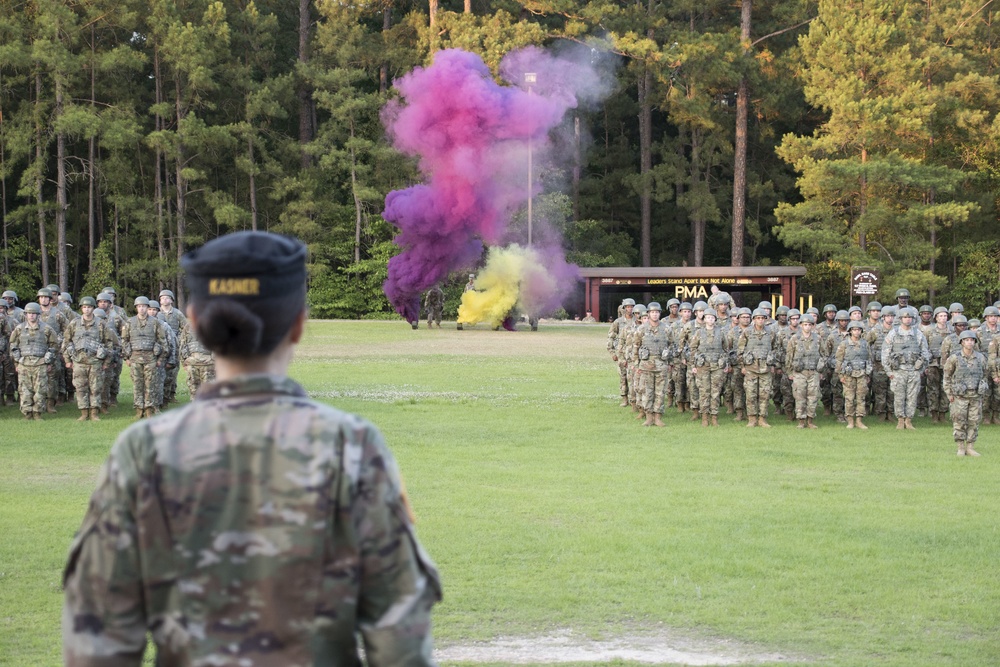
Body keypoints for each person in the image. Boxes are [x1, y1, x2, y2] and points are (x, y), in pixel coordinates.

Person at [63, 231, 441, 666]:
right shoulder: (351, 445)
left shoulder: (144, 450)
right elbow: (399, 637)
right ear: (299, 323)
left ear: (196, 321)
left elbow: (98, 639)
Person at [62, 296, 116, 421]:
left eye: (89, 307)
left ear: (93, 308)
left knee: (96, 388)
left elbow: (108, 343)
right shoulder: (74, 323)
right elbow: (66, 342)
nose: (87, 310)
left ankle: (94, 413)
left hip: (95, 362)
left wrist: (106, 361)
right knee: (80, 388)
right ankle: (84, 412)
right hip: (79, 361)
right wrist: (67, 360)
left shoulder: (101, 324)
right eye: (84, 307)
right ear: (81, 308)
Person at [120, 295, 168, 418]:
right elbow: (124, 341)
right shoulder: (130, 322)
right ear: (136, 308)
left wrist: (160, 359)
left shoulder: (155, 322)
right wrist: (127, 358)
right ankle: (138, 409)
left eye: (144, 306)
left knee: (150, 384)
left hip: (150, 358)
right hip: (135, 357)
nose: (142, 309)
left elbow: (162, 341)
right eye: (139, 306)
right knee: (137, 384)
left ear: (147, 307)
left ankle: (148, 409)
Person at [882, 306, 930, 430]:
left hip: (913, 370)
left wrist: (920, 370)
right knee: (898, 396)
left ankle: (909, 420)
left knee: (912, 396)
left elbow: (925, 353)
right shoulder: (893, 333)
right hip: (898, 371)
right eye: (905, 317)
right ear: (900, 319)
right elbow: (885, 353)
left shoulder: (918, 334)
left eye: (909, 317)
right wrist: (889, 371)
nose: (908, 319)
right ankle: (900, 419)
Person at [9, 302, 59, 420]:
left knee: (40, 390)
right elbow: (13, 345)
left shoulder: (47, 329)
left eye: (33, 314)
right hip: (24, 363)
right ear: (26, 315)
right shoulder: (19, 329)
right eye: (29, 314)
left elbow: (54, 346)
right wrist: (17, 362)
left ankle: (37, 413)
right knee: (24, 390)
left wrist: (48, 362)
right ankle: (27, 413)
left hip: (40, 363)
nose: (31, 316)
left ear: (38, 315)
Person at [943, 330, 988, 456]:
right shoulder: (954, 358)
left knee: (974, 421)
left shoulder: (980, 358)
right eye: (967, 340)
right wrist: (949, 393)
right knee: (959, 421)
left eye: (972, 340)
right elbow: (947, 376)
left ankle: (970, 446)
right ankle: (960, 447)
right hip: (959, 396)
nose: (970, 342)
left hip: (975, 396)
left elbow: (985, 374)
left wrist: (982, 388)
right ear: (962, 342)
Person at [690, 308, 731, 426]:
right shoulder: (698, 332)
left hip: (717, 366)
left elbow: (726, 349)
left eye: (712, 317)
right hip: (703, 366)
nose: (710, 319)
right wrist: (693, 364)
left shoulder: (721, 331)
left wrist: (725, 363)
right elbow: (693, 348)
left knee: (715, 392)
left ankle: (714, 417)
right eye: (708, 317)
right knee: (704, 391)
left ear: (715, 319)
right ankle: (704, 417)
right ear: (704, 319)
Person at [786, 313, 826, 429]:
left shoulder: (817, 338)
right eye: (805, 324)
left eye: (809, 324)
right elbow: (789, 356)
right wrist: (789, 372)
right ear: (801, 325)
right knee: (800, 396)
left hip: (813, 372)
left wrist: (821, 370)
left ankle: (810, 420)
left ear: (813, 326)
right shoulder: (795, 339)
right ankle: (801, 420)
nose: (807, 327)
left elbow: (823, 354)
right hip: (799, 373)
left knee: (813, 397)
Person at [634, 301, 669, 426]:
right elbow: (636, 346)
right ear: (648, 314)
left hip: (661, 365)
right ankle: (649, 417)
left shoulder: (666, 328)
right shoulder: (641, 329)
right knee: (647, 392)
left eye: (657, 312)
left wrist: (669, 361)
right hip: (646, 366)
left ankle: (658, 417)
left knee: (660, 392)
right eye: (652, 312)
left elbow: (673, 346)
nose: (654, 315)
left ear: (660, 313)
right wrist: (637, 365)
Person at [836, 321, 872, 429]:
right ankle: (850, 420)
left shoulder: (865, 344)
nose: (857, 332)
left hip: (861, 374)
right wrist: (840, 375)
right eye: (854, 330)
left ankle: (859, 420)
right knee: (849, 398)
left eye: (859, 330)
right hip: (848, 375)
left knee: (861, 398)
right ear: (850, 331)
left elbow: (869, 359)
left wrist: (868, 374)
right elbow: (839, 360)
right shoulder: (844, 344)